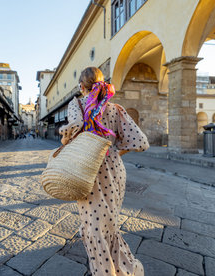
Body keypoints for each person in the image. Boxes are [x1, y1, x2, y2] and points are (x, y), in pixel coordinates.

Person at [59, 67, 149, 276]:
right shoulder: (116, 109)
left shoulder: (77, 105)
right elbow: (142, 143)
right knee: (108, 227)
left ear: (81, 87)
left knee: (94, 230)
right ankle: (126, 269)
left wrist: (64, 137)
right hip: (114, 172)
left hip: (88, 174)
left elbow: (71, 135)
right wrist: (113, 152)